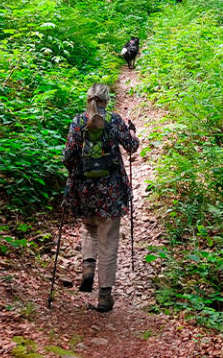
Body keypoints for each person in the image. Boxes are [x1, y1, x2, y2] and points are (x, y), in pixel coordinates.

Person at [62, 83, 139, 312]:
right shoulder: (114, 121)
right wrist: (132, 131)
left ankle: (88, 266)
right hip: (111, 191)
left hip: (85, 190)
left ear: (88, 99)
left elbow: (68, 157)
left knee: (89, 229)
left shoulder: (77, 122)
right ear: (107, 100)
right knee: (108, 241)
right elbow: (132, 146)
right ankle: (104, 296)